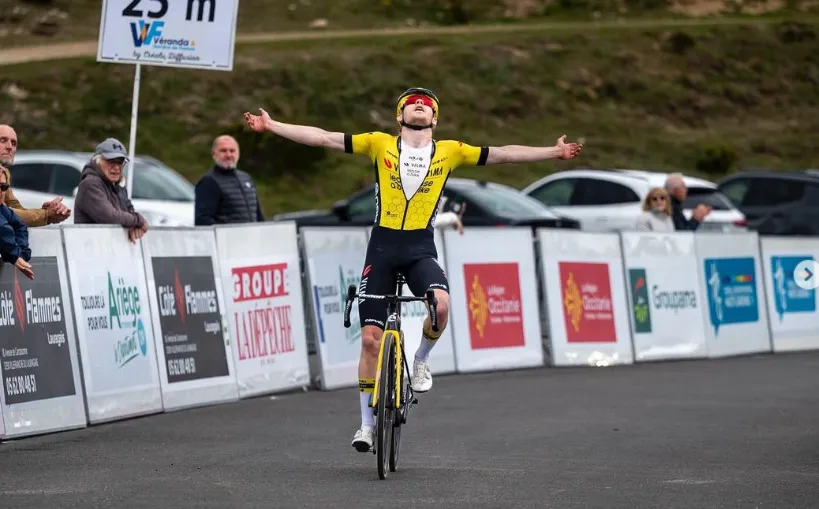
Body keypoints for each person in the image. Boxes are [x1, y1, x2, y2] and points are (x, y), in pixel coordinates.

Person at [244, 87, 583, 452]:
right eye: (411, 102)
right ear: (399, 115)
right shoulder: (378, 144)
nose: (419, 105)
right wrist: (273, 125)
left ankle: (420, 360)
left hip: (420, 248)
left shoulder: (451, 151)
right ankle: (366, 425)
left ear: (434, 119)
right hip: (382, 248)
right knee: (371, 340)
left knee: (441, 305)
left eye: (427, 104)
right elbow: (323, 137)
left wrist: (554, 151)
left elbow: (502, 154)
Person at [73, 138, 149, 244]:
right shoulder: (90, 184)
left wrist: (133, 226)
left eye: (120, 162)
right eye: (111, 161)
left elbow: (129, 210)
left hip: (110, 250)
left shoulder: (117, 183)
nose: (117, 167)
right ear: (97, 162)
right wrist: (139, 220)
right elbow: (110, 217)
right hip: (91, 251)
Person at [0, 124, 72, 227]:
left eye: (13, 143)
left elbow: (16, 210)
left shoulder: (4, 172)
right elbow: (3, 213)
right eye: (3, 140)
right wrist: (46, 215)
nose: (9, 147)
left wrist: (46, 212)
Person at [194, 135, 264, 226]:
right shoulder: (208, 182)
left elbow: (258, 215)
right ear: (213, 154)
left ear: (238, 153)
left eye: (232, 150)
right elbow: (202, 220)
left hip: (251, 238)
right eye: (223, 150)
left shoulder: (246, 178)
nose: (229, 155)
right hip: (228, 239)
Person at [0, 166, 34, 280]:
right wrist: (14, 255)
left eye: (3, 186)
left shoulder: (4, 210)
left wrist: (21, 255)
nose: (0, 190)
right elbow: (3, 229)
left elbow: (20, 226)